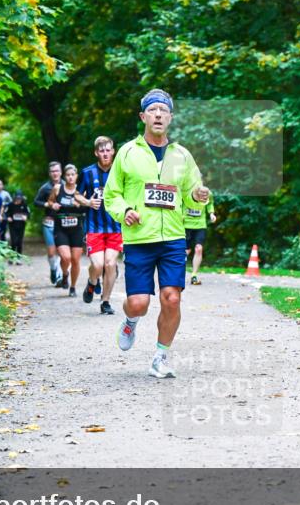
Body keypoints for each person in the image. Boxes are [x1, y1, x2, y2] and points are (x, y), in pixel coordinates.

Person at [104, 88, 211, 378]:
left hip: (173, 238)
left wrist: (198, 196)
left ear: (171, 117)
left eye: (163, 110)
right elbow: (111, 194)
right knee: (139, 304)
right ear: (143, 117)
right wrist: (125, 211)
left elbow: (191, 194)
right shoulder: (128, 152)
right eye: (153, 110)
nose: (158, 115)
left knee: (172, 298)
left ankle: (160, 357)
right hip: (139, 238)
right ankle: (130, 321)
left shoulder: (182, 156)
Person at [80, 136, 122, 314]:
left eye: (108, 150)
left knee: (110, 264)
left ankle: (105, 302)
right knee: (98, 266)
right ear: (96, 153)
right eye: (102, 151)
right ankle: (92, 282)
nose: (105, 154)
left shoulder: (121, 172)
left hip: (115, 227)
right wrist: (88, 202)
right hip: (94, 227)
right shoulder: (87, 172)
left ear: (113, 151)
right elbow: (76, 195)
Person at [49, 164, 90, 297]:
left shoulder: (81, 191)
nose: (70, 177)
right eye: (68, 175)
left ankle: (73, 287)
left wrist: (80, 204)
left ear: (76, 176)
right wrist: (53, 205)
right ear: (64, 176)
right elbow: (50, 202)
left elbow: (88, 206)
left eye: (73, 175)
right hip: (61, 228)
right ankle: (65, 274)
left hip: (77, 229)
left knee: (75, 260)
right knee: (66, 257)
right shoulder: (57, 188)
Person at [34, 162, 64, 284]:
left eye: (57, 171)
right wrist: (47, 204)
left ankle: (60, 277)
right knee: (52, 253)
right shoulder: (45, 188)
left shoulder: (66, 185)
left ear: (61, 172)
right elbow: (36, 202)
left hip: (63, 223)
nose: (55, 173)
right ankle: (53, 269)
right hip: (49, 222)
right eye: (52, 171)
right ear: (49, 173)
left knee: (62, 251)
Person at [184, 190, 216, 285]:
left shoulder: (207, 192)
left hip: (200, 225)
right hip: (186, 224)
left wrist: (211, 213)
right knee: (186, 251)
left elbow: (210, 203)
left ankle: (194, 275)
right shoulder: (186, 190)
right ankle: (178, 274)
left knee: (199, 248)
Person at [5, 192, 30, 263]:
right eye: (17, 198)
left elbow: (28, 213)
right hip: (12, 225)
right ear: (15, 198)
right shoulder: (10, 205)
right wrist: (8, 217)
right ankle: (12, 257)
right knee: (13, 241)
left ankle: (19, 258)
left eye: (20, 199)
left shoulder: (24, 205)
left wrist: (26, 216)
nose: (18, 200)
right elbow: (6, 212)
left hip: (21, 225)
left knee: (19, 242)